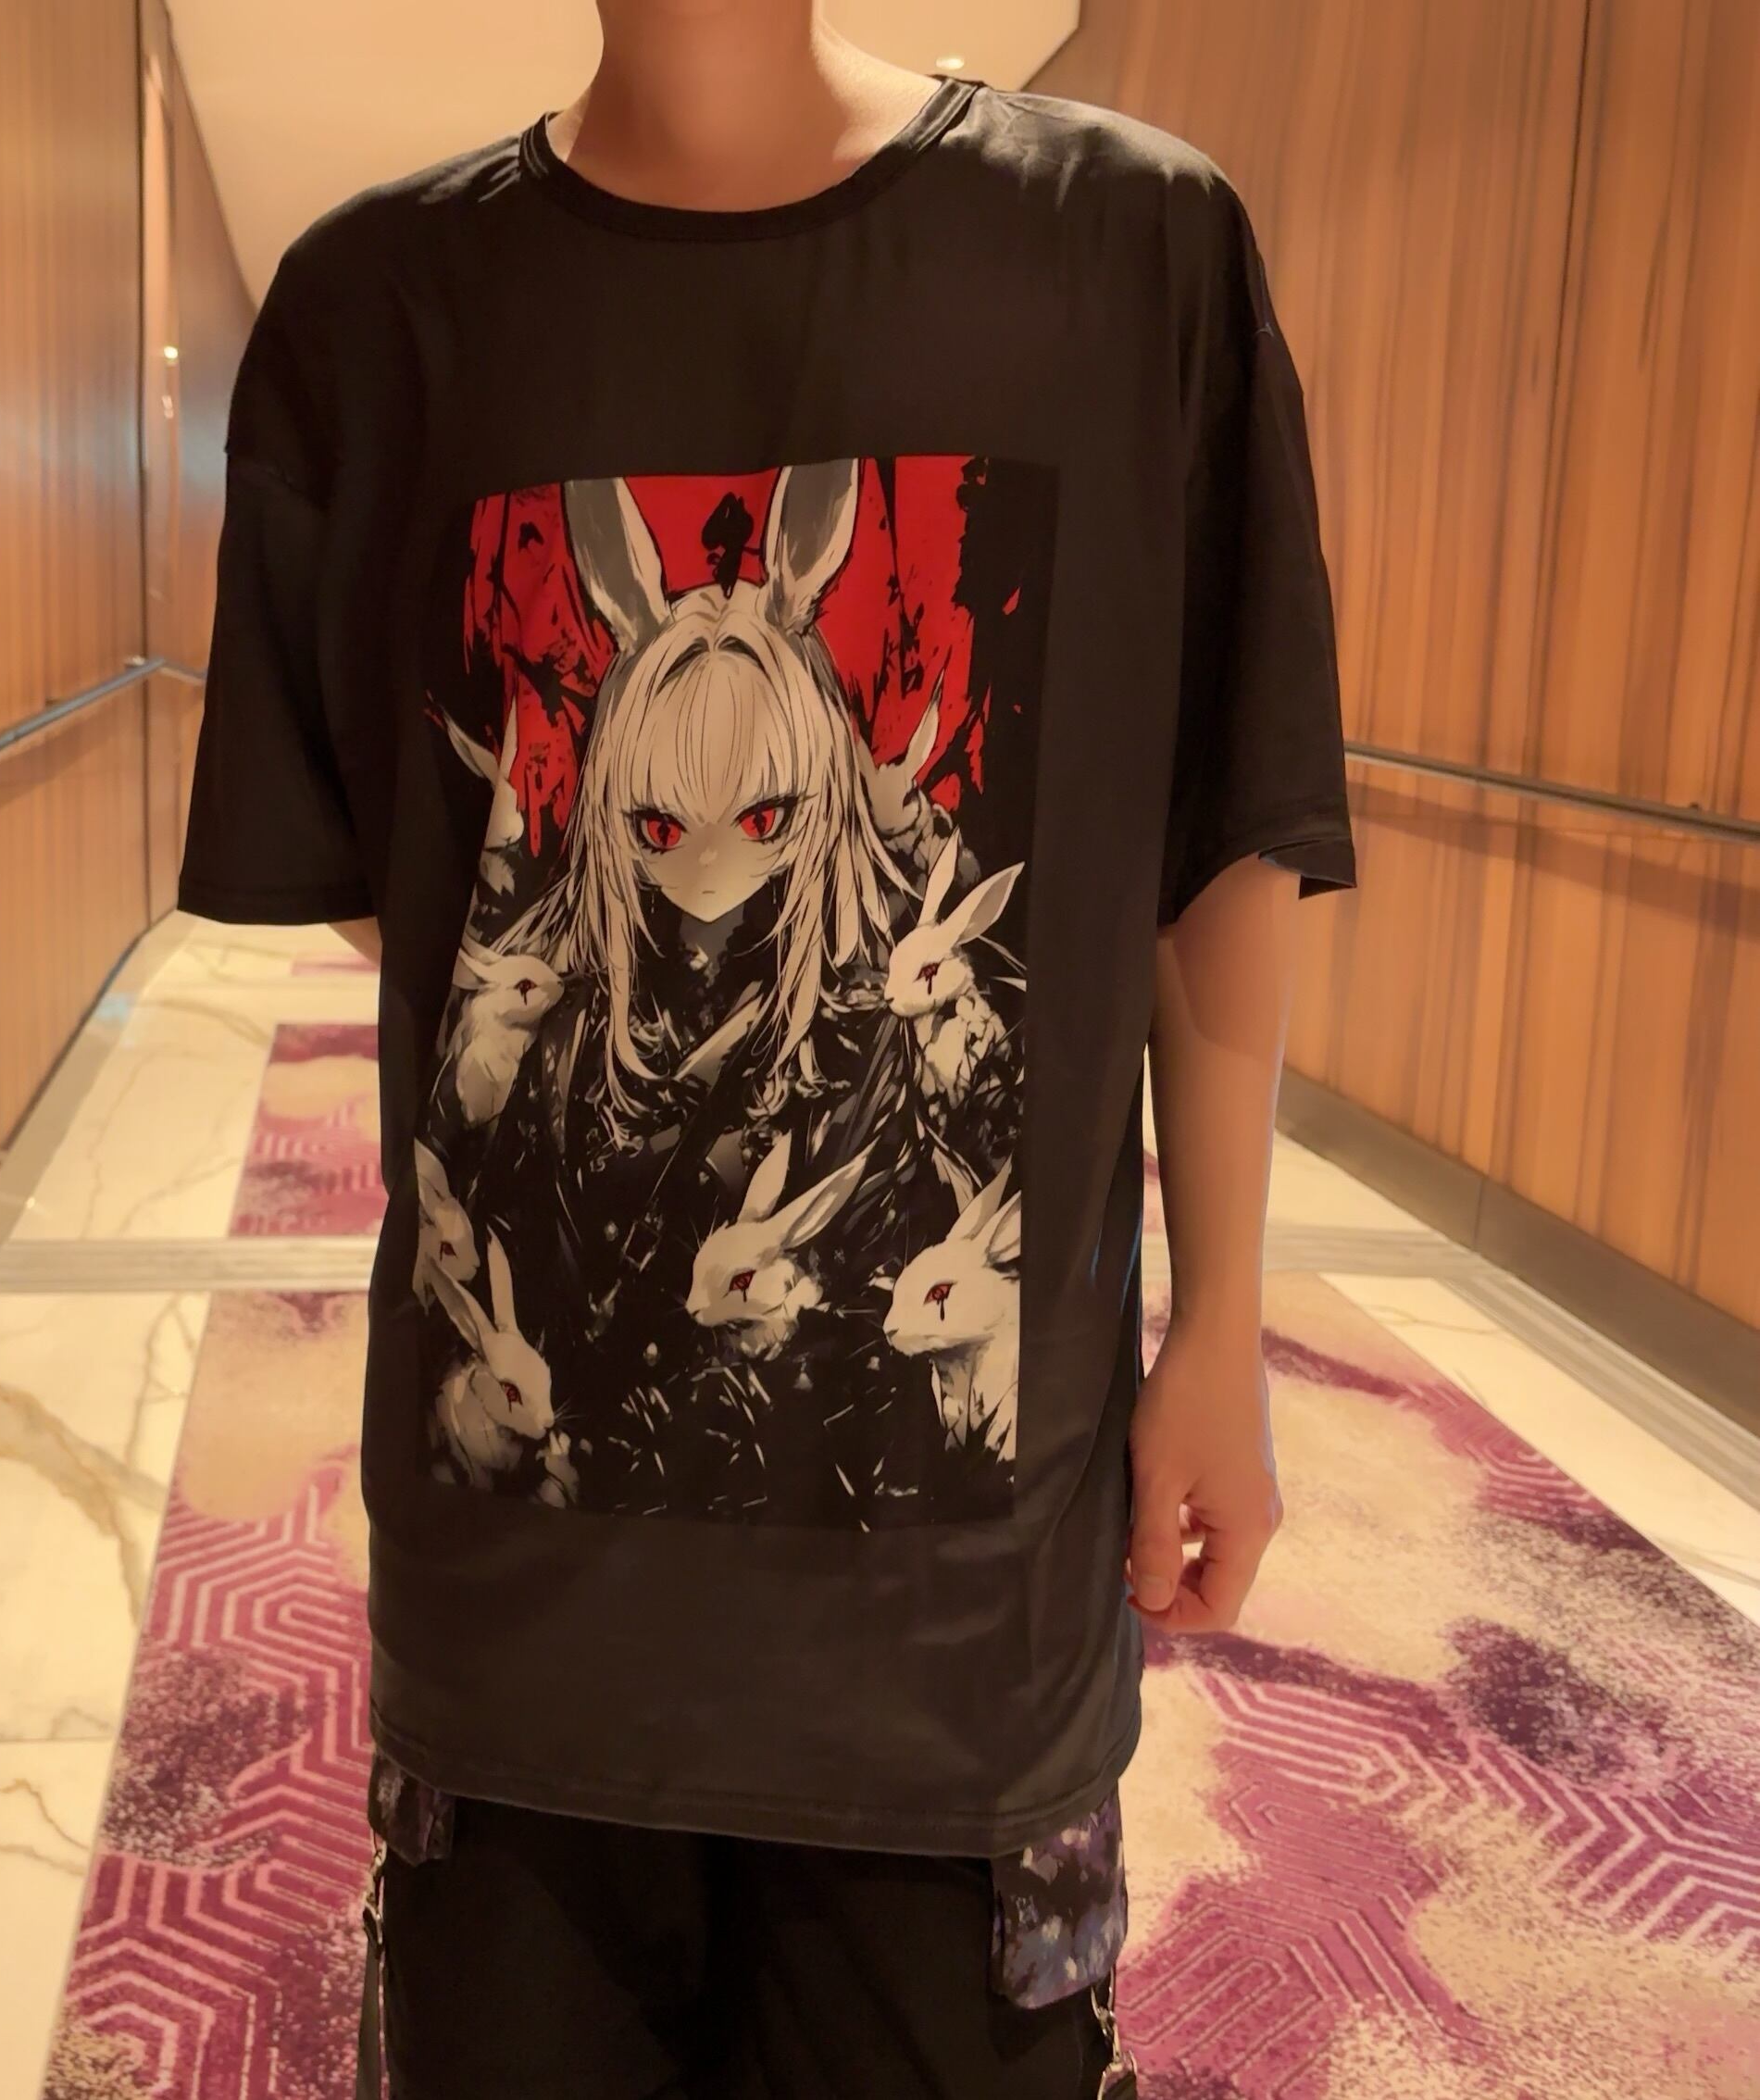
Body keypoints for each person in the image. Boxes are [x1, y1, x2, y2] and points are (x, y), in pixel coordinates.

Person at [178, 3, 1354, 2093]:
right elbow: (408, 887)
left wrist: (1223, 1329)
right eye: (659, 832)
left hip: (956, 1650)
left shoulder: (1127, 249)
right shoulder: (374, 310)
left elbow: (1215, 843)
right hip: (524, 1620)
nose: (711, 878)